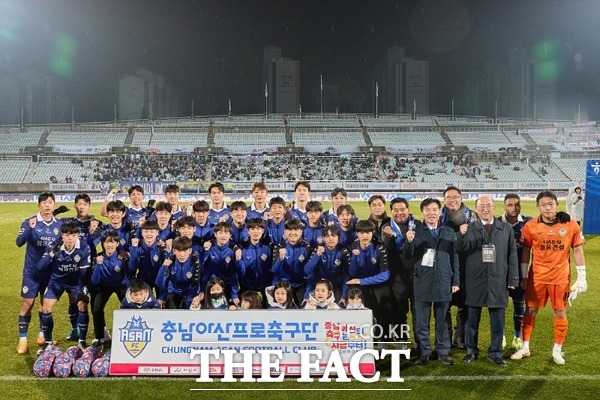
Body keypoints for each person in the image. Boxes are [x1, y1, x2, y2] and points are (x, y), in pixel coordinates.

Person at [511, 190, 587, 365]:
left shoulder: (571, 225)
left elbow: (577, 249)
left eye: (550, 204)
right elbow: (526, 250)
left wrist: (582, 277)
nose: (547, 208)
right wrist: (523, 275)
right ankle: (525, 347)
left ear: (557, 204)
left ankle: (557, 350)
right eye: (543, 205)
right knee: (530, 311)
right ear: (538, 206)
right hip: (537, 278)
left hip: (560, 278)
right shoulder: (530, 226)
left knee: (559, 312)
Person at [457, 196, 519, 367]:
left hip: (498, 279)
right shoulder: (469, 228)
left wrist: (513, 278)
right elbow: (461, 250)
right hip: (475, 280)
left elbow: (512, 255)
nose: (485, 209)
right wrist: (461, 234)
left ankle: (496, 353)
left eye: (488, 206)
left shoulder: (505, 228)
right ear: (476, 209)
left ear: (494, 207)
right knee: (472, 319)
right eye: (481, 206)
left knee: (498, 320)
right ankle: (471, 351)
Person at [404, 198, 460, 366]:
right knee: (422, 321)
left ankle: (443, 351)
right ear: (423, 213)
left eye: (435, 209)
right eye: (428, 210)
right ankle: (424, 352)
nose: (431, 213)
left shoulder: (449, 231)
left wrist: (455, 280)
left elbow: (454, 258)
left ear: (440, 212)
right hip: (422, 281)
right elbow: (408, 255)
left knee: (443, 320)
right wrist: (408, 240)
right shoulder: (416, 231)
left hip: (444, 280)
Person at [16, 192, 63, 354]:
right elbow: (19, 242)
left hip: (50, 274)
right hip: (32, 272)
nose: (47, 205)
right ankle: (23, 340)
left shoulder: (59, 225)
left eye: (50, 202)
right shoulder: (30, 222)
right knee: (27, 304)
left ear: (54, 205)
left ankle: (42, 335)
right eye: (44, 202)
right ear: (39, 205)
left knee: (46, 306)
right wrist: (29, 228)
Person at [37, 221, 91, 353]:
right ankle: (48, 343)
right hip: (57, 281)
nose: (70, 238)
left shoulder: (84, 248)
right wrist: (52, 253)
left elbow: (84, 273)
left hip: (76, 282)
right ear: (62, 235)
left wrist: (83, 289)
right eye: (67, 235)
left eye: (73, 235)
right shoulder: (53, 246)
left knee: (82, 305)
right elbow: (40, 267)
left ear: (78, 235)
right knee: (46, 308)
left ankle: (82, 342)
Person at [441, 185, 477, 349]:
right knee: (444, 305)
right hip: (444, 267)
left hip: (467, 267)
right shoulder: (438, 215)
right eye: (449, 197)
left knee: (465, 304)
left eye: (455, 197)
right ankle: (446, 339)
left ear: (461, 198)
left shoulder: (472, 216)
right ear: (444, 199)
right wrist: (458, 235)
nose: (452, 200)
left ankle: (461, 338)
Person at [382, 197, 421, 346]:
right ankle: (401, 341)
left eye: (402, 209)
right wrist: (389, 237)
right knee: (399, 312)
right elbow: (388, 249)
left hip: (417, 277)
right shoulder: (387, 227)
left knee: (419, 314)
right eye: (396, 210)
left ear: (408, 210)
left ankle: (420, 344)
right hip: (398, 279)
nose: (399, 213)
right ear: (391, 212)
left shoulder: (416, 225)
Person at [501, 193, 532, 350]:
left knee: (519, 305)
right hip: (500, 274)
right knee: (499, 306)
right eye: (511, 205)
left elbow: (549, 223)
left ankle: (517, 337)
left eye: (517, 204)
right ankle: (501, 337)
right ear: (504, 206)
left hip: (520, 273)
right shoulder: (497, 222)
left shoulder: (528, 223)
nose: (515, 208)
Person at [346, 220, 390, 332]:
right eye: (361, 233)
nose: (365, 236)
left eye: (368, 232)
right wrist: (355, 258)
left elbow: (385, 274)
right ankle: (359, 334)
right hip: (360, 282)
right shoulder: (354, 246)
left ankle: (382, 337)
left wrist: (363, 281)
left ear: (373, 232)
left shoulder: (379, 247)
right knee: (358, 305)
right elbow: (353, 272)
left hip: (377, 282)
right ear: (357, 234)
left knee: (384, 307)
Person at [90, 230, 131, 347]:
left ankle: (127, 335)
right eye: (107, 242)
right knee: (96, 309)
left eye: (113, 242)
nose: (110, 245)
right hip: (104, 286)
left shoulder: (123, 257)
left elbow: (131, 271)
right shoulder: (98, 258)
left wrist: (130, 254)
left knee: (128, 307)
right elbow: (94, 281)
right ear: (103, 243)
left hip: (121, 285)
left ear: (117, 244)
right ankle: (100, 337)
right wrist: (98, 265)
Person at [272, 218, 316, 305]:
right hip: (285, 285)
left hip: (301, 285)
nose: (293, 233)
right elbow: (275, 271)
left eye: (296, 230)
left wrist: (308, 293)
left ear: (300, 232)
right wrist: (281, 258)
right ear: (285, 232)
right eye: (289, 230)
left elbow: (311, 272)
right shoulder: (279, 247)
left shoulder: (307, 247)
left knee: (304, 310)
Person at [305, 224, 350, 305]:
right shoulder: (318, 250)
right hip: (321, 288)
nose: (331, 239)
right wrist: (317, 255)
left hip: (337, 287)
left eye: (333, 236)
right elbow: (307, 270)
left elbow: (347, 275)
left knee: (338, 310)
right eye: (327, 236)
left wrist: (343, 295)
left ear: (338, 237)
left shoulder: (343, 251)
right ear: (323, 238)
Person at [200, 222, 241, 305]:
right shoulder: (209, 246)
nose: (223, 235)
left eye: (226, 233)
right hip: (212, 284)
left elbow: (237, 273)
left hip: (228, 284)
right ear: (215, 234)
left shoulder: (234, 249)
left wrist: (234, 294)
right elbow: (202, 266)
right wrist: (205, 251)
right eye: (220, 233)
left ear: (230, 235)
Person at [156, 236, 201, 309]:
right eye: (179, 251)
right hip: (173, 293)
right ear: (174, 251)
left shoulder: (195, 262)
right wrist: (163, 267)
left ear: (190, 251)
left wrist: (189, 300)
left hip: (190, 295)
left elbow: (197, 284)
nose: (182, 255)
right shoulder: (170, 262)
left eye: (185, 251)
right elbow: (159, 283)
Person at [236, 218, 274, 305]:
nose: (255, 232)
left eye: (258, 229)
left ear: (263, 230)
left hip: (267, 285)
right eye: (252, 229)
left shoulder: (269, 247)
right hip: (247, 286)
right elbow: (240, 271)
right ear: (248, 231)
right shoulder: (242, 248)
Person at [129, 220, 167, 305]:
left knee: (162, 304)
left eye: (152, 231)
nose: (149, 234)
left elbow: (164, 272)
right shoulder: (137, 247)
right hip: (143, 280)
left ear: (157, 232)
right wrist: (134, 248)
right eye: (146, 231)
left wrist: (161, 297)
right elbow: (132, 267)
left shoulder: (161, 248)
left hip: (159, 280)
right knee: (145, 305)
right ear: (142, 233)